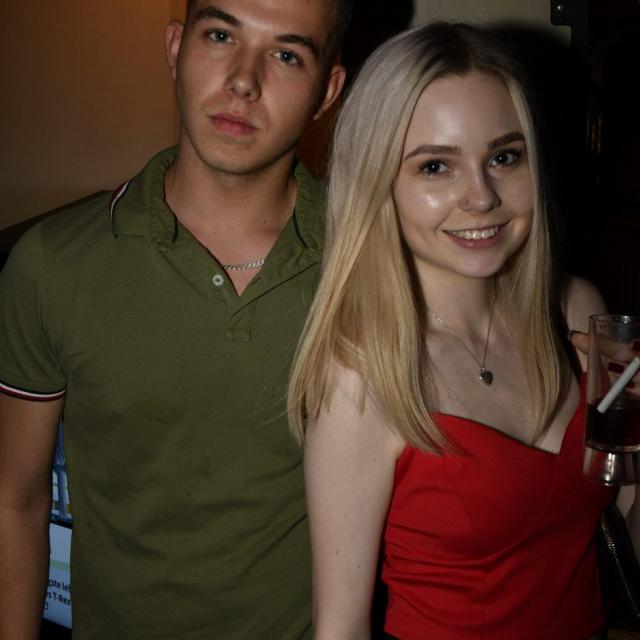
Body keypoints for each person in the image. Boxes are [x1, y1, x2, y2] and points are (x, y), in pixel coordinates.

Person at [0, 0, 348, 638]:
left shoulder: (372, 267)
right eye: (220, 35)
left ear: (326, 91)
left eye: (286, 54)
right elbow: (15, 498)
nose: (243, 80)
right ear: (175, 48)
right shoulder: (52, 265)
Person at [288, 23, 639, 640]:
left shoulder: (578, 313)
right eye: (435, 166)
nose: (481, 197)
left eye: (504, 157)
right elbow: (340, 627)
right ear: (379, 184)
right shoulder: (364, 376)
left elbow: (627, 535)